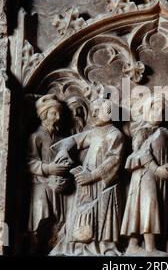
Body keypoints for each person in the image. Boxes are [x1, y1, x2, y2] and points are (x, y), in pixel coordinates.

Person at [50, 98, 125, 256]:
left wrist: (92, 175)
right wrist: (64, 149)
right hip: (85, 181)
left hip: (102, 182)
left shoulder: (115, 135)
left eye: (99, 110)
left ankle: (104, 247)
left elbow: (113, 160)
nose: (94, 113)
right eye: (93, 110)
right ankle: (79, 246)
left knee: (103, 214)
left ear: (110, 113)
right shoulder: (95, 133)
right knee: (83, 213)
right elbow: (75, 140)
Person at [121, 96, 168, 256]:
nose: (159, 114)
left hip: (161, 177)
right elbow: (141, 153)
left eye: (162, 111)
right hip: (144, 176)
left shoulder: (166, 131)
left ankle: (134, 245)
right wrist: (157, 169)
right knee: (148, 205)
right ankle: (149, 247)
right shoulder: (142, 131)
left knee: (153, 206)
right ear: (147, 110)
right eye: (155, 109)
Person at [27, 94, 71, 253]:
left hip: (58, 187)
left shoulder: (61, 137)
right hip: (41, 184)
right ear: (44, 114)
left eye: (59, 114)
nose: (58, 117)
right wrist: (48, 169)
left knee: (58, 219)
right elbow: (30, 162)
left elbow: (67, 159)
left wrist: (64, 173)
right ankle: (36, 246)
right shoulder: (36, 137)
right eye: (54, 113)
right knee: (41, 216)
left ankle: (55, 246)